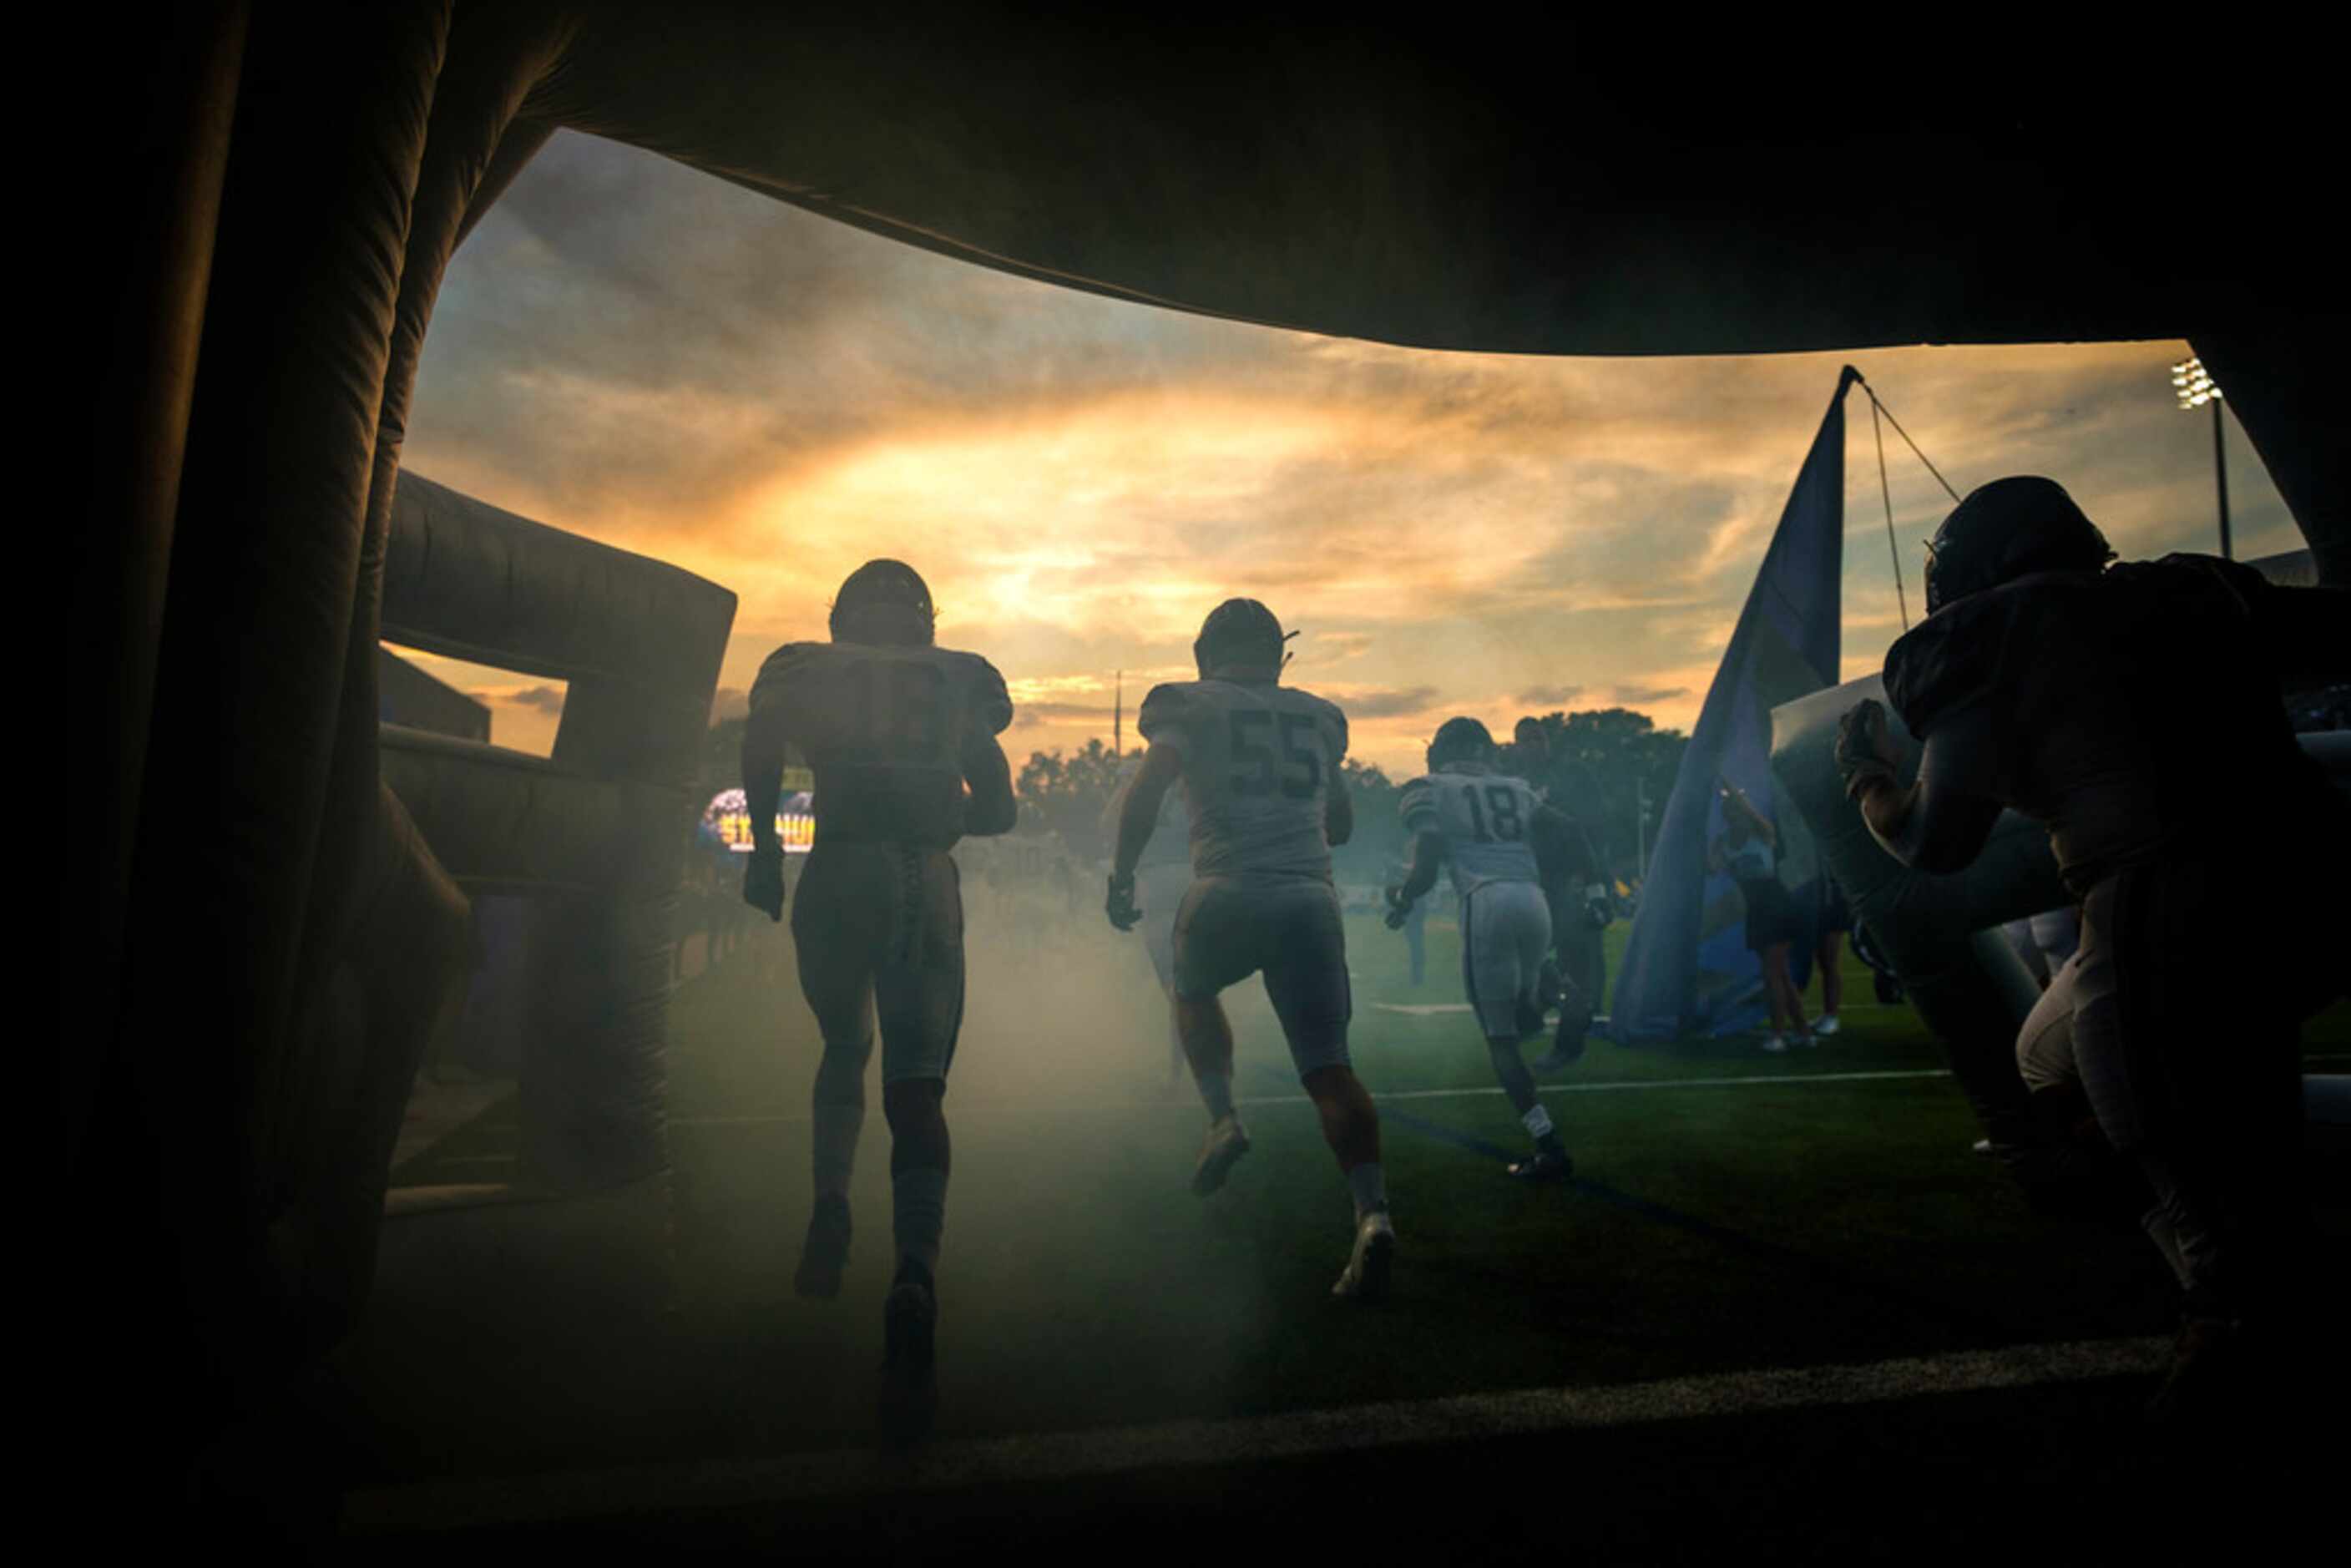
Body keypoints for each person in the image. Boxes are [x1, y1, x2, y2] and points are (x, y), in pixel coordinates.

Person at [1835, 475, 2348, 1420]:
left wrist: (1864, 774)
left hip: (2163, 901)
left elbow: (1932, 841)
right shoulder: (2191, 588)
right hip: (2307, 886)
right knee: (2052, 1058)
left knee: (2221, 1245)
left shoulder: (1992, 630)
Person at [741, 559, 1018, 1443]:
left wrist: (761, 855)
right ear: (925, 622)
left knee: (841, 1047)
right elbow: (1000, 803)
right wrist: (946, 818)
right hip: (919, 875)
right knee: (917, 1090)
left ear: (840, 618)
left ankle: (830, 1201)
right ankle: (911, 1275)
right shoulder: (959, 677)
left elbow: (760, 747)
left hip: (836, 867)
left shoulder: (803, 667)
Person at [1105, 598, 1394, 1301]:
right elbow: (1344, 824)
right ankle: (1373, 1213)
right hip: (1308, 896)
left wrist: (1119, 874)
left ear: (1206, 654)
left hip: (1226, 888)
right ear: (1277, 654)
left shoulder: (1189, 705)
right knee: (1330, 1069)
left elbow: (1146, 791)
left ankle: (1221, 1118)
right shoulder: (1318, 716)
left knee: (1191, 989)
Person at [1386, 718, 1577, 1179]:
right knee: (1521, 1011)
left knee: (1500, 1041)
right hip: (1534, 900)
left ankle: (1546, 1141)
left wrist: (1404, 899)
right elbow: (1568, 830)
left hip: (1485, 900)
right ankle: (1566, 997)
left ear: (1439, 751)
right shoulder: (1517, 788)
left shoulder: (1429, 787)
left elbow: (1428, 855)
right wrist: (1588, 890)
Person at [1102, 750, 1196, 1087]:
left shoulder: (1137, 777)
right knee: (1192, 982)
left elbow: (1109, 823)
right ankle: (1190, 1065)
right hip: (1196, 874)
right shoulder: (1190, 775)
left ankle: (1179, 1070)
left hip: (1155, 878)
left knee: (1175, 987)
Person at [1709, 778, 1811, 1051]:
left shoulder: (1762, 832)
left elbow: (1754, 815)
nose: (1733, 816)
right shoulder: (1724, 842)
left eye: (1736, 810)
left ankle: (1778, 1035)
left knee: (1771, 974)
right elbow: (1711, 868)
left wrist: (1730, 787)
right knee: (1781, 976)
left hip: (1777, 905)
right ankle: (1803, 1033)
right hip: (1756, 910)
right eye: (1728, 812)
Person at [1811, 873, 1851, 1035]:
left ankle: (1832, 1016)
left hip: (1833, 903)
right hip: (1818, 901)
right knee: (1822, 962)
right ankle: (1827, 1013)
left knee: (1829, 961)